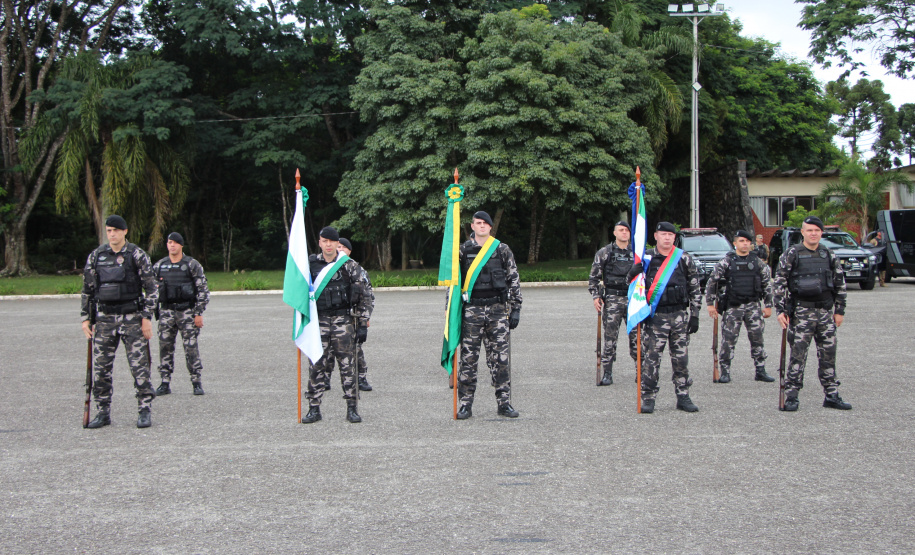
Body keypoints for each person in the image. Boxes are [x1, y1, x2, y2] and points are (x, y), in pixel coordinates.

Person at [80, 215, 158, 429]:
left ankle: (144, 409)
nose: (112, 234)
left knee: (139, 367)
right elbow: (87, 290)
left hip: (132, 318)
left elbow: (151, 289)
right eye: (108, 230)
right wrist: (86, 318)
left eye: (115, 230)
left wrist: (146, 318)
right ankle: (103, 412)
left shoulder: (137, 255)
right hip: (105, 320)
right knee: (101, 369)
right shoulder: (96, 256)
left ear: (125, 231)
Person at [774, 216, 852, 411]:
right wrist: (781, 310)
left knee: (828, 355)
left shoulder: (828, 254)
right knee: (798, 356)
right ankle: (791, 395)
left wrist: (840, 310)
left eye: (817, 230)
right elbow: (780, 283)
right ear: (803, 232)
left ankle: (831, 394)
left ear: (821, 232)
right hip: (802, 312)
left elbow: (840, 283)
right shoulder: (792, 254)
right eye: (809, 230)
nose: (813, 233)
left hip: (825, 312)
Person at [301, 226, 374, 424]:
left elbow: (365, 293)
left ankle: (352, 408)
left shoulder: (348, 265)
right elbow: (299, 292)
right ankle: (313, 408)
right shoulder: (309, 264)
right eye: (324, 241)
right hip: (319, 322)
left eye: (332, 241)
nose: (328, 245)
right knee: (316, 365)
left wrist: (362, 322)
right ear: (319, 243)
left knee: (347, 366)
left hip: (343, 322)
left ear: (336, 243)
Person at [456, 211, 523, 419]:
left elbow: (513, 279)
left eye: (486, 223)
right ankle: (465, 404)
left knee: (501, 359)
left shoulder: (502, 249)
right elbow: (454, 284)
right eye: (478, 223)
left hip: (497, 311)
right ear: (472, 226)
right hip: (472, 311)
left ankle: (504, 402)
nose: (482, 226)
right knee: (468, 360)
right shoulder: (462, 251)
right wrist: (451, 313)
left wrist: (516, 308)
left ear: (490, 227)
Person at [635, 222, 702, 414]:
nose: (667, 238)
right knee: (651, 359)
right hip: (655, 318)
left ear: (674, 238)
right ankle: (648, 398)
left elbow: (695, 288)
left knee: (681, 359)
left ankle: (683, 396)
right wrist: (632, 274)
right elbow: (634, 288)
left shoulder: (683, 258)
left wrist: (695, 314)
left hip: (679, 316)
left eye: (670, 235)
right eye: (663, 234)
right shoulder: (646, 257)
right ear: (655, 236)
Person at [705, 229, 775, 384]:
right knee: (728, 340)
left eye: (747, 241)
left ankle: (761, 369)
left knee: (757, 339)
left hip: (753, 306)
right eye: (741, 241)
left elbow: (766, 284)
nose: (745, 244)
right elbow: (712, 282)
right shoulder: (727, 261)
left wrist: (768, 305)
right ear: (735, 243)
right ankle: (725, 371)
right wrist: (710, 304)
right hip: (733, 307)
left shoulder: (757, 262)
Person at [152, 232, 210, 396]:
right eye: (169, 242)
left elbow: (203, 291)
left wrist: (198, 313)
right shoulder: (160, 266)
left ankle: (196, 381)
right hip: (167, 312)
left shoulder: (192, 265)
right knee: (165, 347)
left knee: (191, 348)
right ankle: (164, 382)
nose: (172, 245)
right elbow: (150, 287)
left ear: (181, 245)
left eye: (175, 243)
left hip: (187, 312)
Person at [588, 221, 638, 385]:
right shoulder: (605, 252)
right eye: (621, 230)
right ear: (614, 233)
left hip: (633, 300)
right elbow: (594, 277)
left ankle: (641, 372)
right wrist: (596, 296)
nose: (624, 233)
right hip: (612, 300)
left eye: (626, 230)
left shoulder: (637, 252)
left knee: (637, 338)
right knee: (610, 339)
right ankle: (607, 373)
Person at [321, 237, 374, 392]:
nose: (340, 249)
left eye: (344, 247)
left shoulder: (356, 269)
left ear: (349, 251)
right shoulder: (327, 269)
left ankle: (361, 378)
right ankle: (324, 379)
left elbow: (368, 295)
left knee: (355, 349)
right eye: (339, 246)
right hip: (331, 316)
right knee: (327, 350)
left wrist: (365, 317)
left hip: (353, 317)